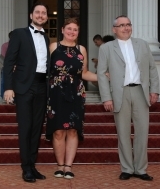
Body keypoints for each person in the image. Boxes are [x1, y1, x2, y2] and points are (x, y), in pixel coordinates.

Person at [97, 15, 159, 181]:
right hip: (120, 93)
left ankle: (140, 169)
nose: (126, 28)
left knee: (142, 132)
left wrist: (155, 90)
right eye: (122, 25)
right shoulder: (106, 48)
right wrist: (106, 98)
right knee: (123, 133)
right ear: (114, 29)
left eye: (128, 24)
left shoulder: (142, 44)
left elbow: (152, 69)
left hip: (140, 91)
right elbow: (102, 74)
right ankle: (126, 168)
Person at [3, 2, 50, 183]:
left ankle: (32, 165)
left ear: (46, 17)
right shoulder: (19, 34)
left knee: (37, 128)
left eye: (43, 13)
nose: (40, 15)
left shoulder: (46, 38)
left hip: (41, 87)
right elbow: (9, 62)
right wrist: (9, 87)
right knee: (26, 127)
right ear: (31, 15)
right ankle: (26, 168)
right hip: (23, 87)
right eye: (37, 12)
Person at [45, 18, 98, 179]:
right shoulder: (53, 46)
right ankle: (60, 166)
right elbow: (44, 69)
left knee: (73, 130)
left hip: (76, 92)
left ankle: (68, 166)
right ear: (62, 29)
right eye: (69, 28)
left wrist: (104, 77)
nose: (72, 32)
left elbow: (84, 73)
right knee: (58, 131)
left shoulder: (82, 49)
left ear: (78, 32)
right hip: (56, 92)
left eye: (75, 29)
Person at [0, 31, 12, 98]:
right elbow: (4, 57)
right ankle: (3, 97)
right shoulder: (5, 45)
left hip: (17, 68)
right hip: (7, 67)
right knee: (4, 82)